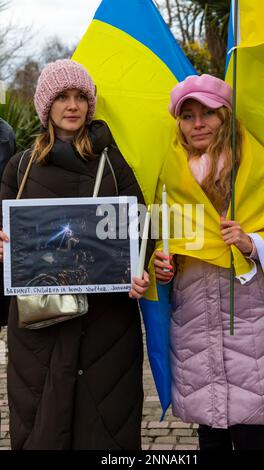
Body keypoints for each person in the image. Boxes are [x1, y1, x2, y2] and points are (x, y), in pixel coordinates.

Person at [0, 59, 150, 450]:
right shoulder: (21, 167)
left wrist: (139, 269)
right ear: (45, 106)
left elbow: (142, 229)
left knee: (105, 428)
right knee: (41, 425)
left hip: (106, 326)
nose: (72, 105)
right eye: (62, 97)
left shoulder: (114, 165)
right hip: (40, 324)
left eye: (81, 96)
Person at [153, 74, 264, 450]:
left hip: (250, 320)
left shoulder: (256, 171)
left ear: (226, 117)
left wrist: (252, 243)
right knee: (209, 426)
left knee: (251, 428)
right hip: (194, 317)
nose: (198, 123)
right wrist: (163, 268)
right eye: (188, 116)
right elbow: (159, 242)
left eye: (208, 113)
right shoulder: (167, 178)